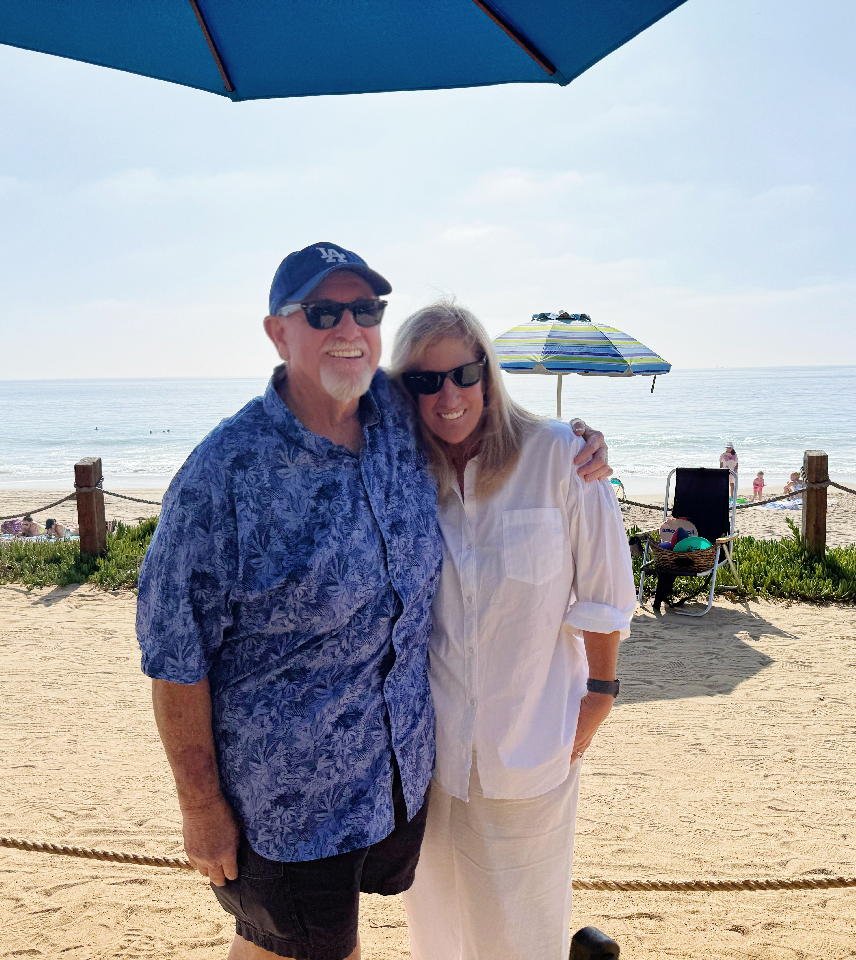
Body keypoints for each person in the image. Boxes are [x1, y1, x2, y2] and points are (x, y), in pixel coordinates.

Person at [136, 243, 611, 960]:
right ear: (278, 332)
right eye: (323, 311)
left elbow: (468, 407)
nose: (349, 327)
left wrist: (577, 442)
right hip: (287, 800)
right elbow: (173, 653)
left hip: (393, 782)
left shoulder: (396, 417)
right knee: (289, 949)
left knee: (308, 946)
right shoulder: (224, 471)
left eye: (365, 309)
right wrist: (200, 806)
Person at [391, 301, 636, 960]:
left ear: (487, 375)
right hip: (434, 759)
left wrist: (597, 700)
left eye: (463, 374)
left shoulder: (561, 457)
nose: (448, 395)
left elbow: (608, 596)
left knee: (522, 940)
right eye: (425, 381)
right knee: (439, 935)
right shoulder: (403, 477)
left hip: (532, 748)